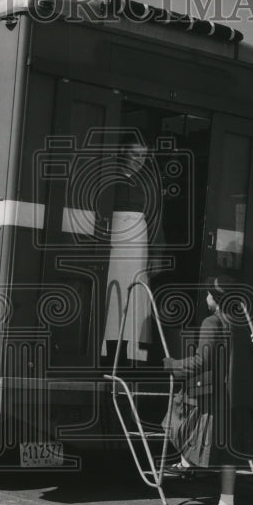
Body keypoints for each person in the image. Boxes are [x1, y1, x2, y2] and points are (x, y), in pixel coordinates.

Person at [162, 277, 253, 505]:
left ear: (214, 299)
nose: (206, 298)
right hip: (238, 397)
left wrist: (172, 365)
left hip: (216, 397)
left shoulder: (211, 322)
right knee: (230, 455)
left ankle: (186, 461)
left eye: (207, 294)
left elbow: (200, 362)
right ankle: (227, 504)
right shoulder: (240, 323)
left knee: (178, 409)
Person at [102, 135, 165, 364]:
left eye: (144, 156)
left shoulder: (149, 181)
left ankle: (130, 355)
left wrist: (157, 253)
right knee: (112, 293)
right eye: (135, 154)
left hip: (139, 243)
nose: (139, 160)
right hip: (113, 242)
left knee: (135, 293)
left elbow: (156, 217)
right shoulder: (108, 174)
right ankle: (107, 352)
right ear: (123, 151)